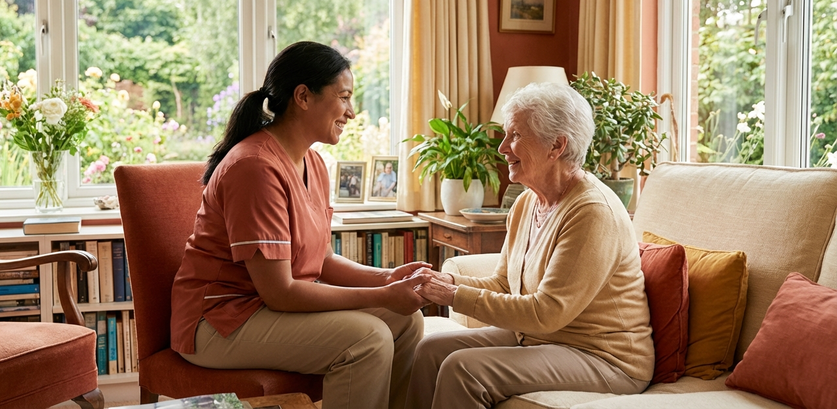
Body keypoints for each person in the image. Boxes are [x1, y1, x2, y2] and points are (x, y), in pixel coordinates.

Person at [171, 41, 431, 409]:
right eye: (344, 97)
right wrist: (381, 295)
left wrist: (387, 278)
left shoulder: (314, 163)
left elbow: (321, 262)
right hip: (219, 321)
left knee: (406, 322)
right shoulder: (255, 167)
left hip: (264, 309)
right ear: (303, 97)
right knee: (368, 337)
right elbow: (280, 292)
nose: (352, 112)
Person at [405, 82, 654, 409]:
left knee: (463, 369)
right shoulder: (525, 204)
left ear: (556, 146)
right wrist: (444, 282)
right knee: (431, 351)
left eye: (515, 136)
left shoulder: (592, 212)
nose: (502, 148)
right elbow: (503, 283)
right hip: (543, 338)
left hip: (605, 357)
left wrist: (453, 296)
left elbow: (547, 312)